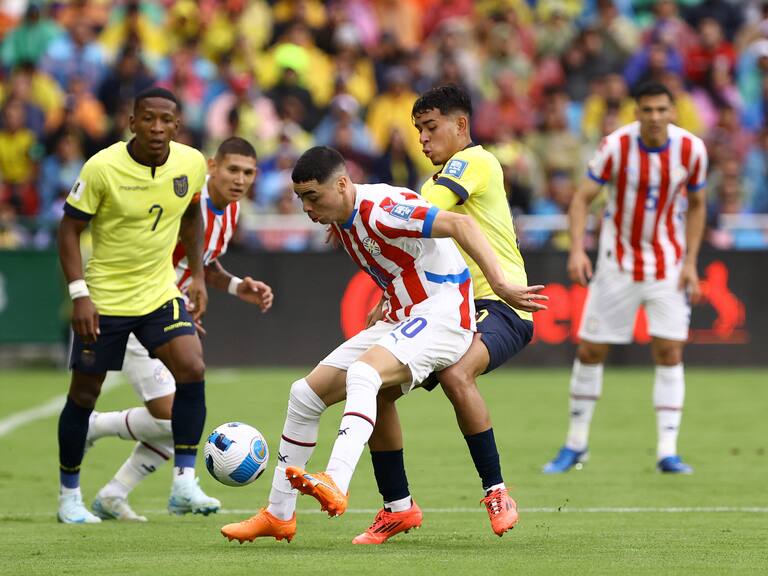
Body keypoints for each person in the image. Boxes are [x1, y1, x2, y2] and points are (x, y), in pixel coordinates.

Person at [220, 146, 546, 544]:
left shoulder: (383, 209)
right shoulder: (342, 217)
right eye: (301, 198)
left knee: (364, 374)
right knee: (304, 395)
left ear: (342, 184)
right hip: (405, 313)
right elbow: (403, 261)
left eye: (313, 197)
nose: (306, 208)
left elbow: (461, 225)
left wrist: (499, 285)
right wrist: (386, 300)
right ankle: (279, 514)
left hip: (445, 313)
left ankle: (336, 479)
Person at [354, 84, 548, 545]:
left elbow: (420, 215)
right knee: (375, 388)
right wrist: (385, 298)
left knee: (457, 373)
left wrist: (359, 211)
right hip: (445, 307)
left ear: (461, 125)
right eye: (418, 129)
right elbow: (415, 253)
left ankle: (497, 492)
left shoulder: (474, 162)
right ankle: (397, 507)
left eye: (430, 127)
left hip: (501, 304)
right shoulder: (430, 185)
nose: (422, 138)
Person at [83, 137, 274, 522]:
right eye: (232, 169)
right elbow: (150, 258)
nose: (239, 179)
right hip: (139, 310)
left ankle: (113, 494)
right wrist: (173, 309)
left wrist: (238, 287)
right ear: (212, 166)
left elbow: (202, 265)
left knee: (179, 417)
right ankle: (95, 426)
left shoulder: (232, 211)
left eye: (248, 173)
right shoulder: (184, 203)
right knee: (175, 415)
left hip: (167, 313)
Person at [57, 87, 211, 524]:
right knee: (84, 395)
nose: (157, 128)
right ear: (132, 123)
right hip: (105, 300)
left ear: (177, 125)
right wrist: (79, 294)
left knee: (192, 367)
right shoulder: (102, 167)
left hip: (159, 294)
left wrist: (198, 275)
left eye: (166, 120)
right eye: (148, 118)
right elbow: (68, 230)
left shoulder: (191, 163)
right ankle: (69, 497)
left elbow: (191, 216)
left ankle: (184, 482)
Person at [543, 82, 708, 475]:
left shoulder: (691, 150)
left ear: (673, 112)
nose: (655, 117)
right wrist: (577, 250)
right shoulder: (615, 146)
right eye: (647, 110)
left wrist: (690, 262)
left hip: (667, 265)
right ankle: (575, 445)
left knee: (669, 351)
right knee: (590, 351)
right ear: (637, 113)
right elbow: (581, 199)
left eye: (662, 110)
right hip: (617, 263)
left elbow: (698, 205)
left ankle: (667, 451)